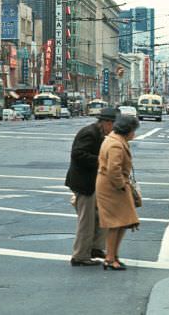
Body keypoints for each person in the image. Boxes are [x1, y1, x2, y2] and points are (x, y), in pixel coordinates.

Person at [65, 107, 116, 267]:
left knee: (102, 216)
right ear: (106, 123)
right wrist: (102, 160)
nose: (114, 129)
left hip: (93, 183)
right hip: (83, 183)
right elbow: (78, 154)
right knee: (86, 221)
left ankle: (95, 248)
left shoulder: (101, 134)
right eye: (114, 125)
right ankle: (80, 255)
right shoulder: (89, 133)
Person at [95, 114, 141, 271]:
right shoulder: (116, 144)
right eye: (134, 130)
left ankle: (113, 255)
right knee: (116, 223)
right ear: (128, 130)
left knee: (121, 222)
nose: (134, 134)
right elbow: (113, 169)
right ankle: (110, 258)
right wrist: (122, 185)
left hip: (111, 186)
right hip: (112, 188)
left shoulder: (113, 139)